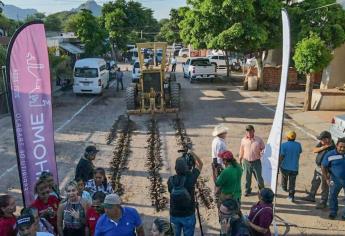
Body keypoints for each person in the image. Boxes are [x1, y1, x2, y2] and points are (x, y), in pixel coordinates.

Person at [167, 150, 203, 236]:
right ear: (187, 167)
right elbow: (200, 164)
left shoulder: (170, 180)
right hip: (188, 215)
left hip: (174, 215)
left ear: (175, 169)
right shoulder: (191, 178)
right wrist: (193, 153)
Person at [303, 131, 335, 209]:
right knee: (315, 182)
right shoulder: (322, 144)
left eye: (322, 139)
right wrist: (324, 147)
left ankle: (323, 202)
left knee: (325, 186)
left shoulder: (334, 148)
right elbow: (314, 150)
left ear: (327, 139)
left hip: (326, 170)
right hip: (318, 167)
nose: (320, 141)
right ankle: (311, 196)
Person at [321, 137, 345, 220]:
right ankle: (333, 212)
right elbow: (323, 166)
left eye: (344, 147)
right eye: (340, 146)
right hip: (335, 180)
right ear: (337, 146)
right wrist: (326, 178)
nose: (342, 149)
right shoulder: (330, 154)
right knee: (332, 196)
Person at [239, 125, 265, 196]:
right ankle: (247, 191)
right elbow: (241, 150)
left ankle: (262, 191)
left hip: (256, 161)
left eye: (250, 130)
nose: (249, 132)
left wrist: (262, 152)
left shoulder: (259, 139)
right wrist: (240, 159)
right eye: (247, 131)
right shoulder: (243, 140)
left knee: (259, 178)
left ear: (253, 131)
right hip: (246, 161)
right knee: (247, 178)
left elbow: (263, 148)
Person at [279, 131, 303, 202]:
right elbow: (300, 151)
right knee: (292, 183)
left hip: (285, 167)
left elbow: (282, 156)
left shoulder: (283, 145)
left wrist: (278, 164)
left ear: (287, 137)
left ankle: (284, 188)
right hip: (294, 167)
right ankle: (291, 196)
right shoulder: (298, 145)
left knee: (284, 178)